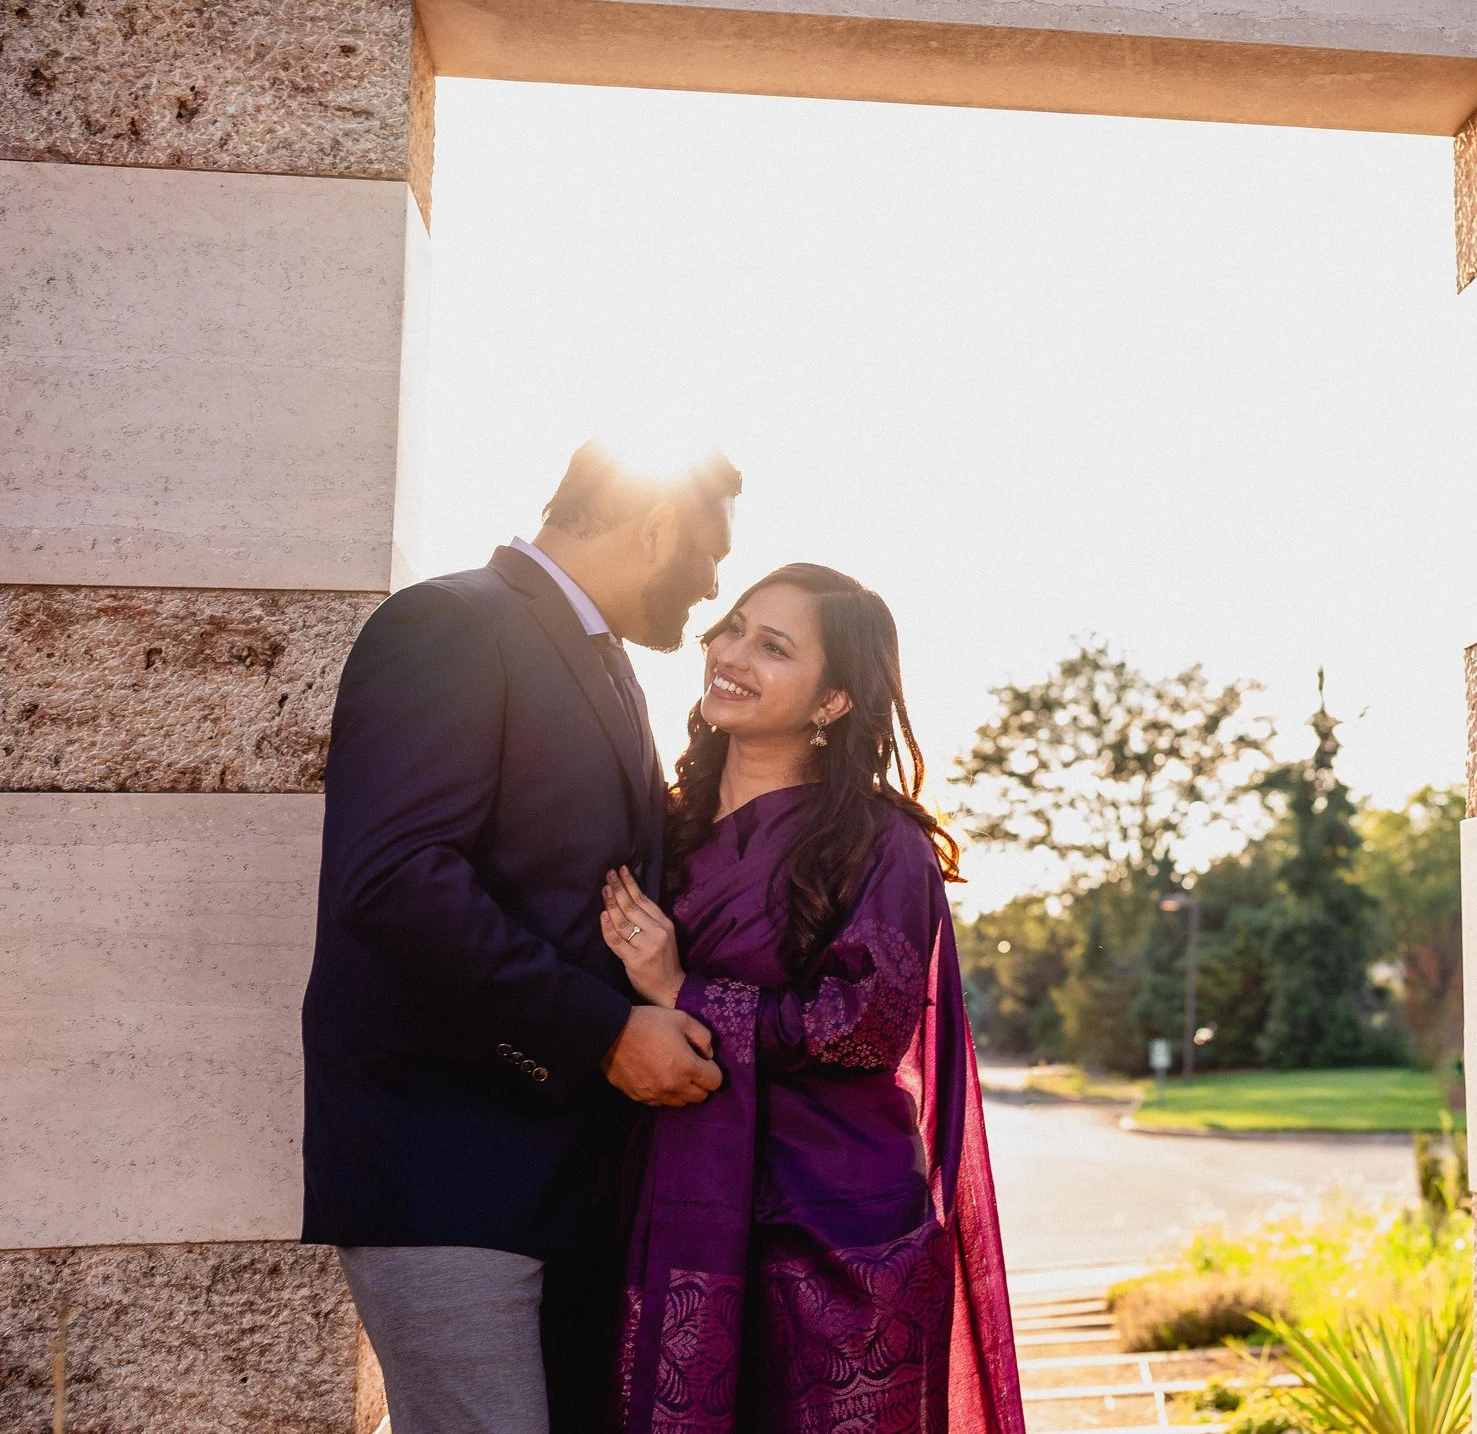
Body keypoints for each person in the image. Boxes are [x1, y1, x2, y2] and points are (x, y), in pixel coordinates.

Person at [302, 440, 744, 1434]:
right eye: (708, 554)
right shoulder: (451, 623)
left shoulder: (606, 669)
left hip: (567, 1176)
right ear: (655, 525)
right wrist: (606, 1033)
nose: (714, 584)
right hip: (444, 1165)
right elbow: (397, 882)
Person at [597, 564, 1023, 1434]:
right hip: (672, 1211)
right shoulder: (656, 825)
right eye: (733, 627)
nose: (731, 651)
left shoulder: (880, 844)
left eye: (773, 645)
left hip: (835, 1235)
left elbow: (860, 1026)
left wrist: (682, 989)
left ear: (832, 700)